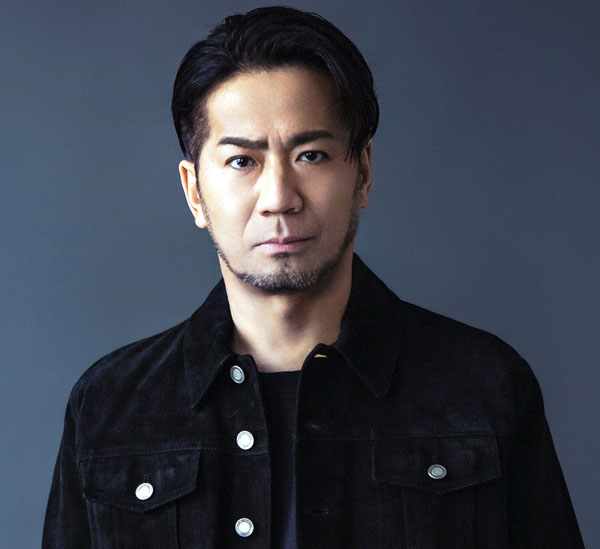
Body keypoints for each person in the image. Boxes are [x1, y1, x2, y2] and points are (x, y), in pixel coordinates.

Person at [43, 6, 584, 548]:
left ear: (362, 173)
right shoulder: (109, 408)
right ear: (194, 192)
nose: (279, 198)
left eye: (311, 155)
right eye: (242, 162)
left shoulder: (485, 387)